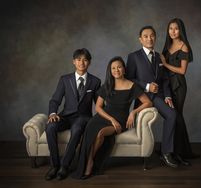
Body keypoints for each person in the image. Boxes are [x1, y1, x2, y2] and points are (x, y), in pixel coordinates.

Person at [71, 56, 152, 180]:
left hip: (121, 119)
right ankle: (89, 162)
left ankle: (90, 161)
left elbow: (148, 102)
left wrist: (133, 112)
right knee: (91, 131)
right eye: (113, 68)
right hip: (103, 117)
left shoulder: (132, 86)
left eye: (119, 67)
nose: (116, 70)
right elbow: (98, 107)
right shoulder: (107, 85)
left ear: (124, 69)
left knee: (101, 134)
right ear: (110, 71)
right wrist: (111, 119)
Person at [45, 48, 101, 180]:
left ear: (89, 62)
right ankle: (54, 165)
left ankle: (65, 166)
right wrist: (53, 113)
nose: (82, 62)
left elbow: (99, 104)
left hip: (83, 117)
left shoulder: (95, 81)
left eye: (85, 60)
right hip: (65, 116)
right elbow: (55, 100)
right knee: (50, 127)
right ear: (73, 62)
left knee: (77, 129)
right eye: (79, 59)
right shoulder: (65, 79)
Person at [126, 26, 178, 168]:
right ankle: (158, 153)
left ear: (155, 37)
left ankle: (166, 152)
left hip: (159, 96)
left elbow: (165, 79)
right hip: (144, 96)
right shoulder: (134, 56)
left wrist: (168, 96)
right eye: (146, 36)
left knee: (172, 115)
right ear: (140, 39)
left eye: (152, 36)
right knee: (169, 116)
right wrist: (147, 86)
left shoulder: (159, 57)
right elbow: (129, 78)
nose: (149, 38)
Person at [161, 18, 198, 163]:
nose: (173, 31)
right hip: (168, 86)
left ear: (180, 30)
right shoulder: (167, 45)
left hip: (178, 85)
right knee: (175, 118)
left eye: (176, 28)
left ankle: (178, 152)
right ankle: (180, 151)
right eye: (170, 28)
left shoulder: (184, 47)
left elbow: (182, 71)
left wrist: (165, 64)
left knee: (177, 117)